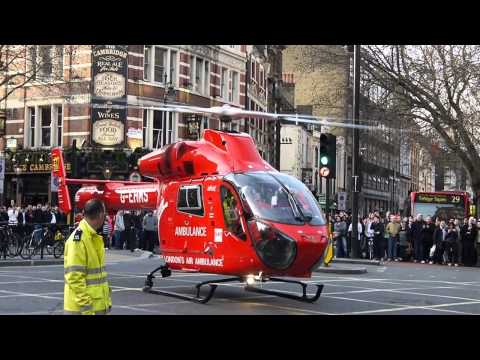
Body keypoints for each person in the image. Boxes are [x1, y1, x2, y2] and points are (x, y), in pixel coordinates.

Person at [64, 199, 111, 315]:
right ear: (100, 215)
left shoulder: (92, 236)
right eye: (105, 214)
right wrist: (87, 310)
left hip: (95, 307)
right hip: (83, 310)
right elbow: (75, 279)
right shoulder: (79, 240)